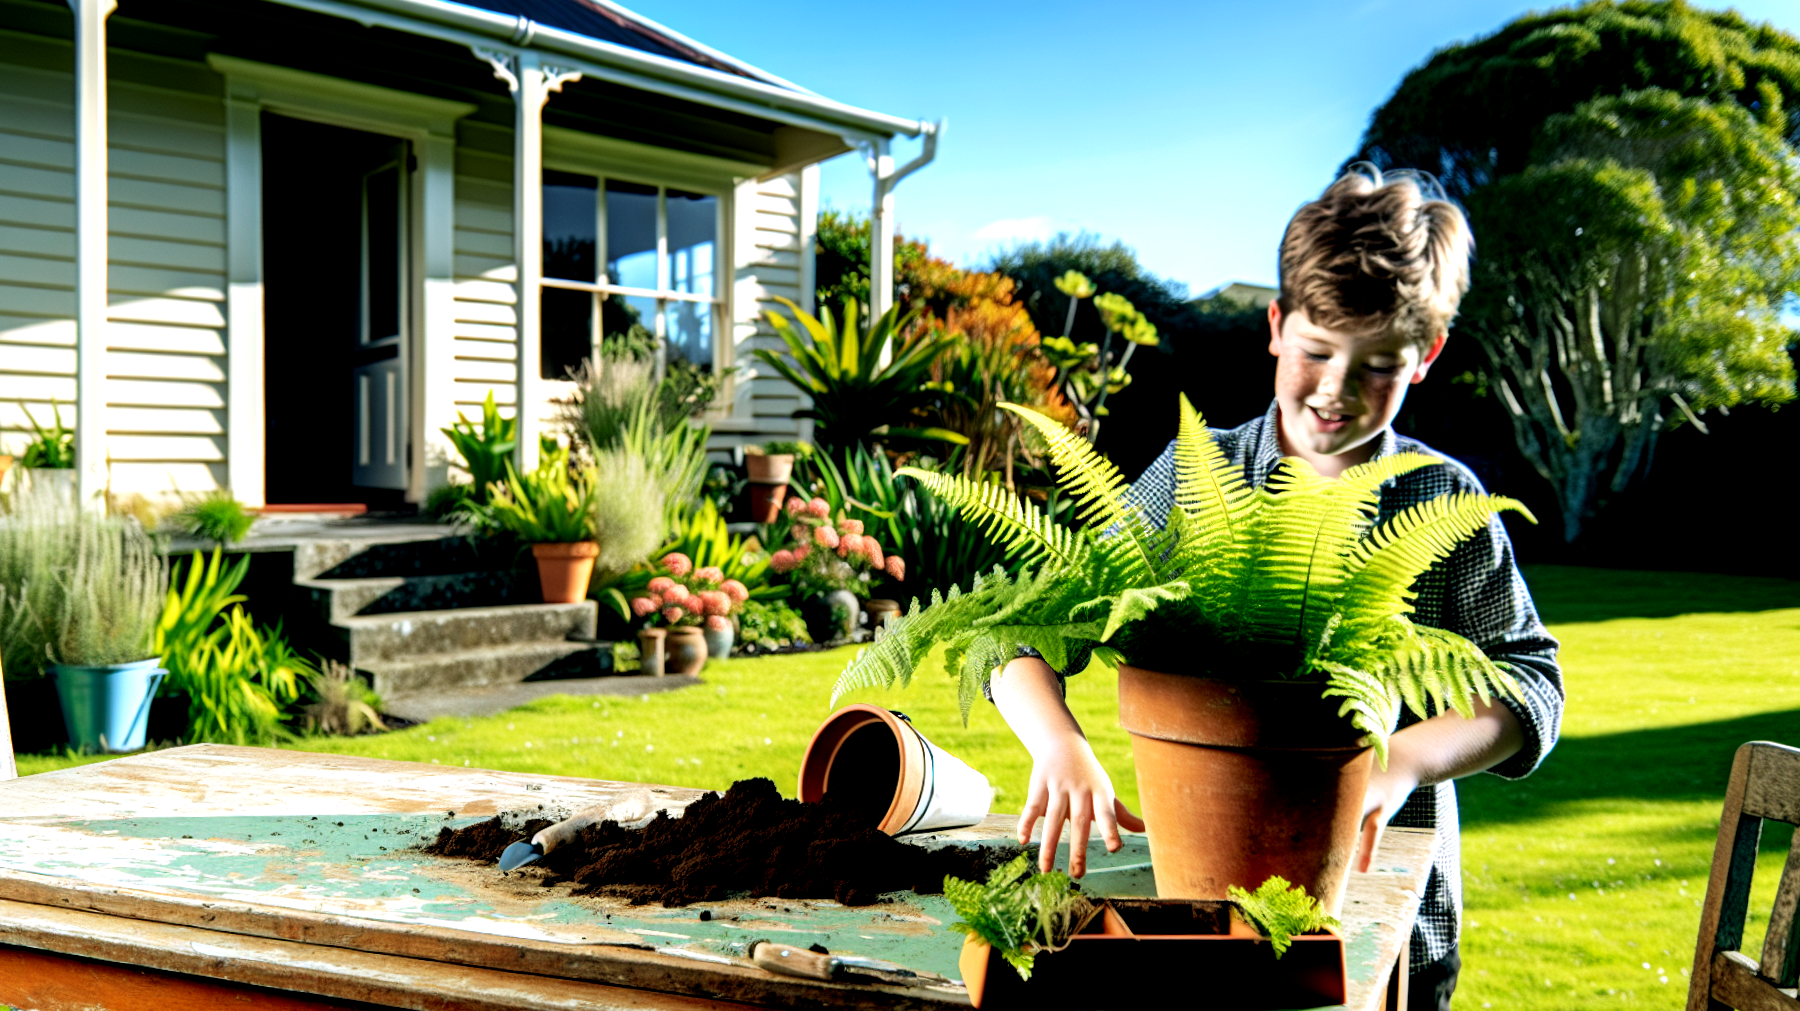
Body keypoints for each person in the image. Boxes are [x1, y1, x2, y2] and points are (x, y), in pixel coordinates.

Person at [989, 165, 1565, 1011]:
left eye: (1376, 365)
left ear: (1427, 356)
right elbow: (1016, 630)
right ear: (1276, 324)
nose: (1335, 389)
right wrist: (1057, 742)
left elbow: (1528, 684)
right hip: (1195, 912)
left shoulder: (1446, 503)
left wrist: (1399, 762)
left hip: (1383, 927)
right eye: (1317, 351)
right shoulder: (1198, 476)